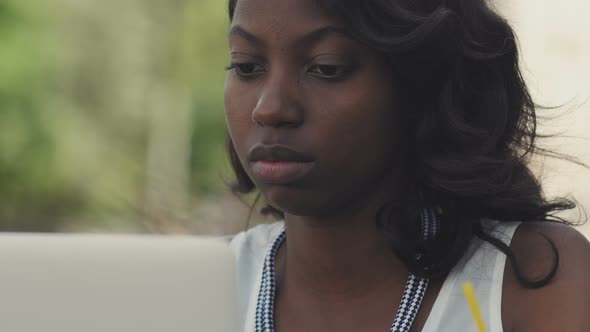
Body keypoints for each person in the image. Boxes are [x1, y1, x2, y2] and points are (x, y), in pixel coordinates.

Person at [223, 0, 590, 331]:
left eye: (326, 68)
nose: (269, 108)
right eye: (247, 66)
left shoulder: (534, 282)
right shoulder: (200, 282)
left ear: (421, 83)